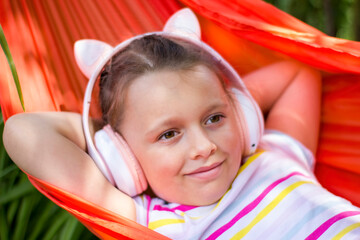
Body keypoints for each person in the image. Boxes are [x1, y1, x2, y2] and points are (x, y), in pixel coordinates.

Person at [3, 8, 360, 240]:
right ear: (124, 155)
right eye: (169, 133)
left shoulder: (274, 155)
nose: (205, 146)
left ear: (243, 117)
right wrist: (113, 142)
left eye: (214, 118)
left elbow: (298, 73)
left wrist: (231, 102)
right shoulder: (145, 223)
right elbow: (23, 131)